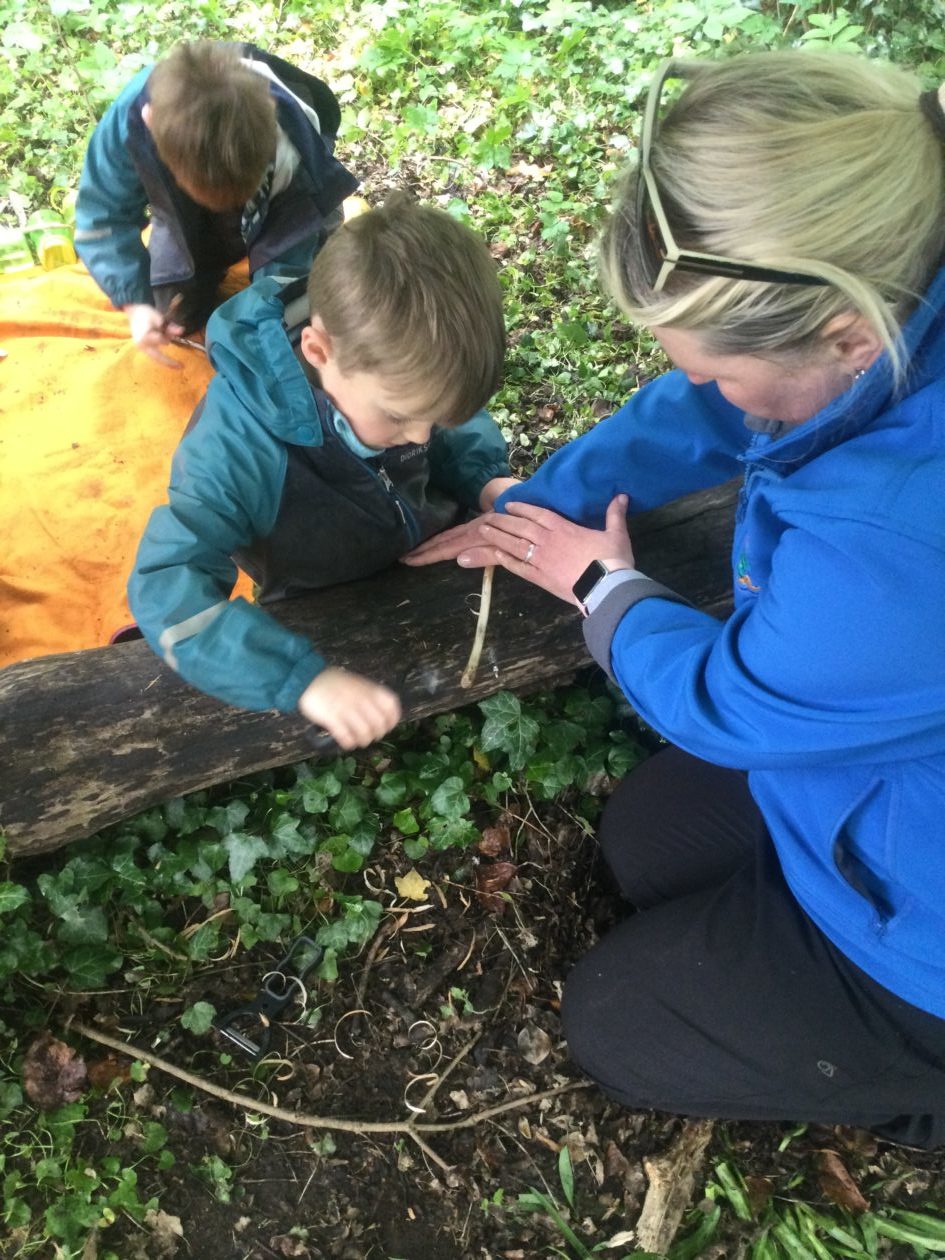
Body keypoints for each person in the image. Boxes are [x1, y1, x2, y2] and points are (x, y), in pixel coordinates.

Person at [406, 51, 945, 1147]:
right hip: (888, 781)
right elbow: (708, 411)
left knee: (617, 1024)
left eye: (722, 370)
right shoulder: (889, 258)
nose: (706, 390)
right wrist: (541, 503)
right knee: (650, 838)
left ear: (847, 334)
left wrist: (603, 589)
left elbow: (725, 706)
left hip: (928, 933)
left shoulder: (899, 543)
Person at [128, 194, 515, 749]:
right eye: (401, 417)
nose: (421, 438)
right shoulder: (239, 446)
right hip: (321, 601)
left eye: (435, 417)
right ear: (317, 349)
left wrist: (486, 479)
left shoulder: (398, 370)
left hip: (430, 558)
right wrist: (299, 680)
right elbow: (167, 586)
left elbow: (450, 420)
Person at [75, 40, 357, 366]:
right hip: (183, 208)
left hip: (285, 196)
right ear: (150, 121)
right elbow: (101, 215)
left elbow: (285, 262)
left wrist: (270, 322)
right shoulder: (130, 121)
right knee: (172, 307)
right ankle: (209, 231)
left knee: (297, 316)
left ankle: (319, 232)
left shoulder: (295, 148)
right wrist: (135, 304)